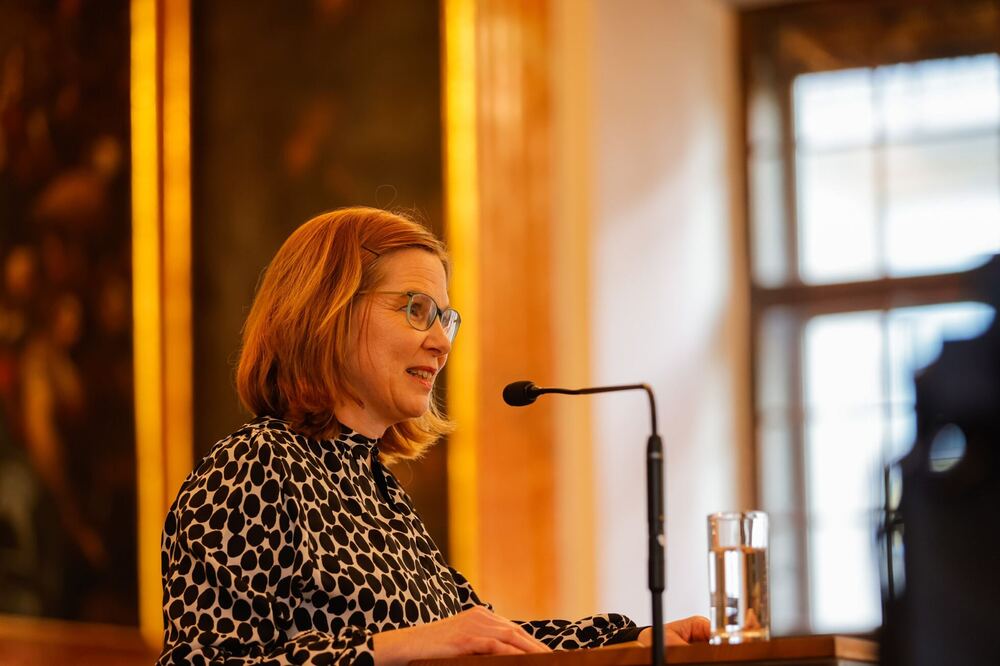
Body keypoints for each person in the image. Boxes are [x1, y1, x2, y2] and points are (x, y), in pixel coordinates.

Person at [158, 207, 709, 665]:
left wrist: (628, 641)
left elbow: (483, 636)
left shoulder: (375, 486)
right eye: (417, 309)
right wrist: (398, 647)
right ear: (328, 310)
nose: (442, 343)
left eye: (446, 318)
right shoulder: (253, 467)